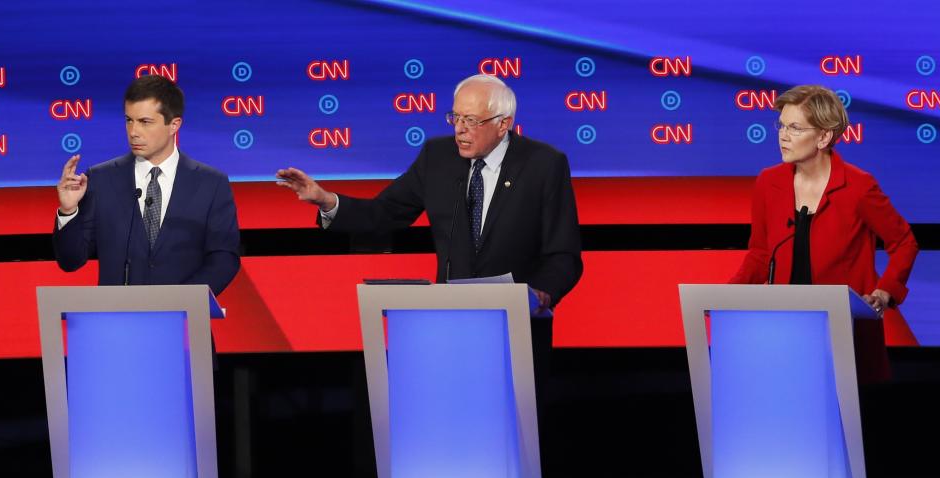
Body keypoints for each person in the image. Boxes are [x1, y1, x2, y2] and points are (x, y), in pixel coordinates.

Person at [276, 73, 583, 317]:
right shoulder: (438, 157)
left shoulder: (543, 164)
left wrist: (541, 293)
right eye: (456, 118)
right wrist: (326, 200)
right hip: (450, 321)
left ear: (503, 124)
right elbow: (383, 213)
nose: (460, 130)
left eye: (472, 121)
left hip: (519, 326)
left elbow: (564, 255)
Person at [731, 84, 919, 382]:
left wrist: (884, 293)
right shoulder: (768, 182)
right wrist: (729, 298)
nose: (782, 135)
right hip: (787, 328)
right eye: (781, 125)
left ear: (823, 136)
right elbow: (760, 253)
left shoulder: (859, 187)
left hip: (845, 329)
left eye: (794, 127)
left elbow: (904, 242)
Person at [53, 75, 240, 295]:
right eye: (129, 120)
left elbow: (224, 259)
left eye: (145, 122)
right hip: (117, 323)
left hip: (184, 323)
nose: (133, 132)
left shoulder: (211, 183)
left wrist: (181, 302)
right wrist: (68, 211)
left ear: (174, 125)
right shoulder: (102, 179)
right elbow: (70, 261)